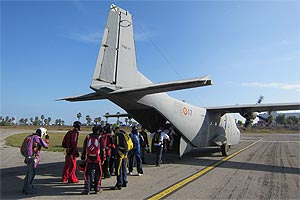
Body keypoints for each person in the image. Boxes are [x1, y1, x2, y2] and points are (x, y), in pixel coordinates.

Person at [22, 128, 49, 195]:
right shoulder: (37, 138)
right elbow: (46, 146)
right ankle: (29, 189)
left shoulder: (30, 136)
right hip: (33, 157)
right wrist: (47, 139)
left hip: (27, 156)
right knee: (32, 173)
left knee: (28, 173)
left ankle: (25, 187)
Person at [81, 125, 105, 195]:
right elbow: (102, 149)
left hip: (89, 157)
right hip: (97, 158)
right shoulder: (100, 137)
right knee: (98, 173)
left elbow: (84, 147)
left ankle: (87, 189)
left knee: (87, 173)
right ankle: (97, 188)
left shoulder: (88, 136)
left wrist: (83, 156)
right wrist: (103, 158)